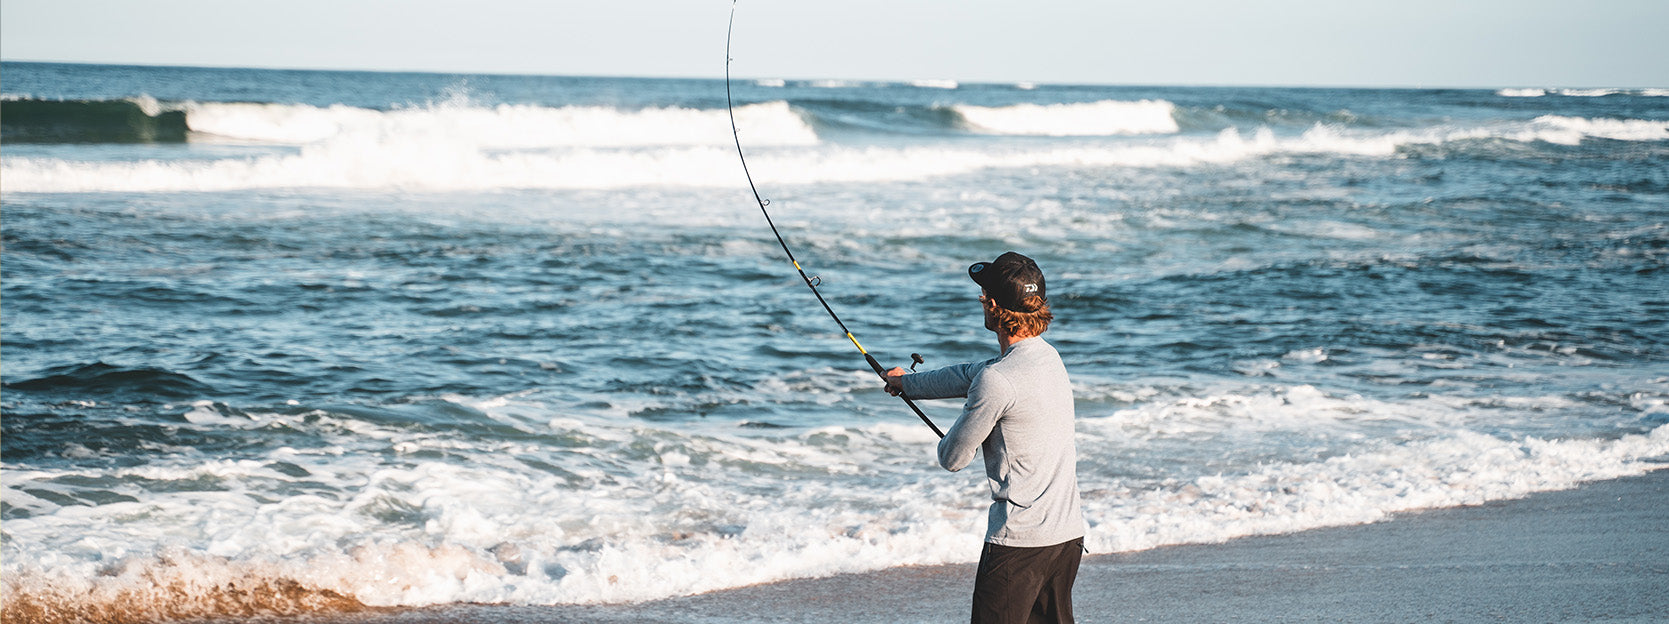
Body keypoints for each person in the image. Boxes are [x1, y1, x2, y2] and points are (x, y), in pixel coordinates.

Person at [884, 251, 1086, 624]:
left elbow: (953, 458)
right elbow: (968, 373)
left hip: (1019, 545)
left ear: (992, 305)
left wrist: (953, 439)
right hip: (1066, 536)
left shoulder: (998, 380)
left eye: (983, 297)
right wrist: (905, 384)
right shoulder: (1047, 357)